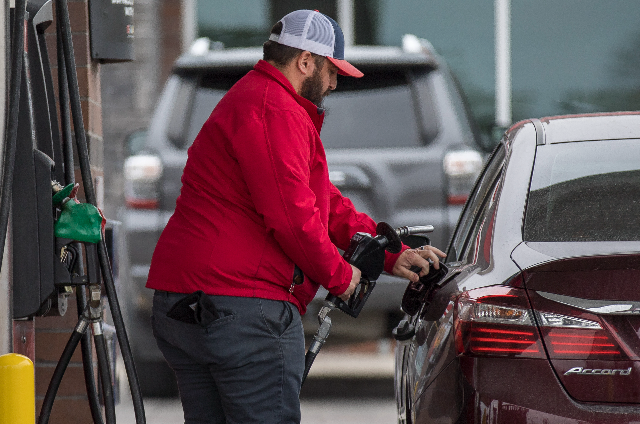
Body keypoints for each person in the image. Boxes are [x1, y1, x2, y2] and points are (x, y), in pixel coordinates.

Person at [146, 9, 445, 424]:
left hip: (188, 303)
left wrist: (391, 254)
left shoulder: (253, 101)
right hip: (240, 310)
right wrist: (343, 278)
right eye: (331, 70)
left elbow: (321, 201)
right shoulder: (277, 109)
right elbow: (293, 218)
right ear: (306, 60)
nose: (335, 82)